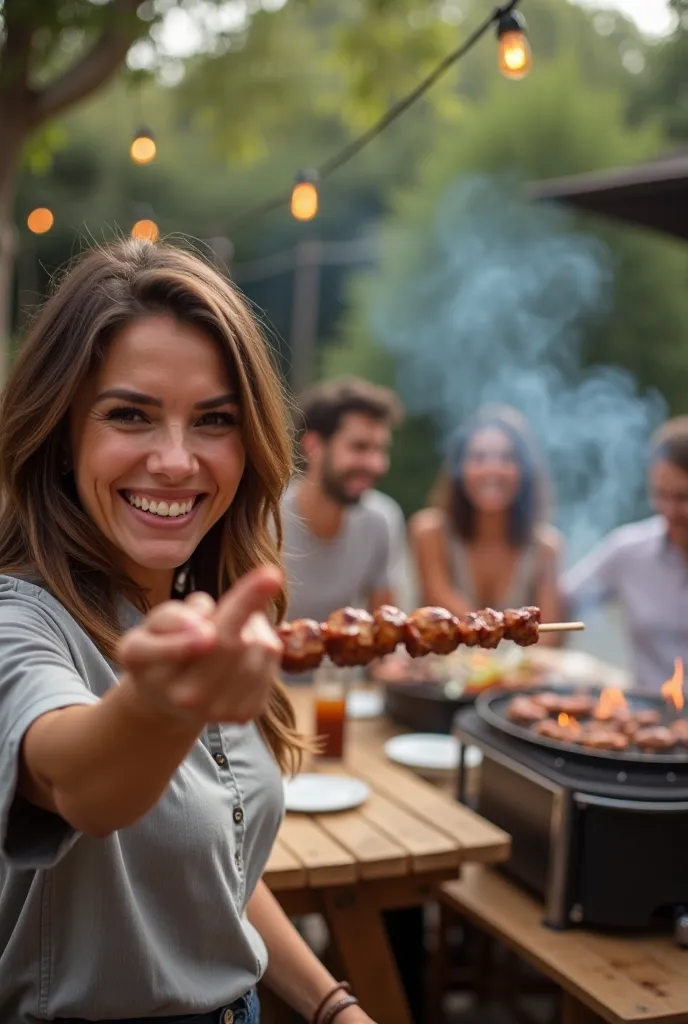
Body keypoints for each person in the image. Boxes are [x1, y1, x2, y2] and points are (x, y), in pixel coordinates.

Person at [0, 239, 378, 1024]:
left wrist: (332, 1006)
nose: (176, 461)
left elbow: (213, 866)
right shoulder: (16, 619)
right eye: (130, 415)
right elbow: (83, 786)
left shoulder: (198, 601)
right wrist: (161, 708)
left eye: (214, 421)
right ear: (62, 434)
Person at [409, 405, 562, 642]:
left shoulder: (545, 548)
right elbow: (444, 607)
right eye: (479, 458)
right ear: (459, 469)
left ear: (524, 471)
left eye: (507, 458)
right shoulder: (429, 532)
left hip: (518, 677)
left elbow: (548, 637)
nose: (493, 469)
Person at [563, 416, 688, 693]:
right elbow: (563, 602)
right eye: (660, 495)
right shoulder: (629, 550)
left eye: (682, 498)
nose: (669, 510)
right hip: (648, 721)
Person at [282, 377, 405, 624]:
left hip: (349, 662)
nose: (376, 464)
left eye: (380, 450)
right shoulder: (266, 520)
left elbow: (385, 632)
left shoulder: (382, 519)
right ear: (313, 445)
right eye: (360, 447)